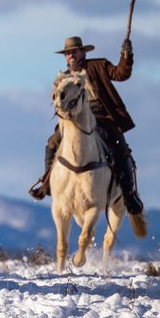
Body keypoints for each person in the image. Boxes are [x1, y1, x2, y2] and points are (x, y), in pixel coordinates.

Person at [28, 36, 143, 215]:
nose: (70, 56)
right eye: (67, 53)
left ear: (82, 52)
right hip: (73, 120)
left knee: (121, 147)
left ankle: (129, 194)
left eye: (73, 51)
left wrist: (126, 56)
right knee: (52, 144)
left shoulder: (98, 66)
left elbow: (121, 74)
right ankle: (46, 183)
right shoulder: (63, 78)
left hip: (102, 117)